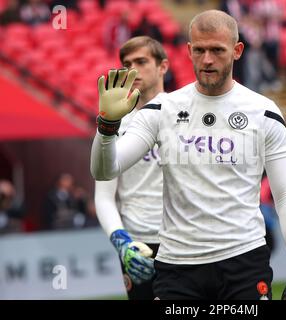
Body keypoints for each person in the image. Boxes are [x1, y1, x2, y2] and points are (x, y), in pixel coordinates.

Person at [91, 10, 286, 300]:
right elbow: (105, 171)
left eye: (217, 50)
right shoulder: (163, 111)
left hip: (243, 260)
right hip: (178, 267)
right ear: (188, 51)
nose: (207, 59)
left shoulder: (265, 113)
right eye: (199, 50)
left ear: (237, 51)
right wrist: (107, 126)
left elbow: (285, 195)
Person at [94, 36, 169, 300]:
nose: (133, 69)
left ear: (163, 67)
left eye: (142, 61)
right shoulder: (113, 123)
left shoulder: (186, 114)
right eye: (127, 64)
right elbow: (103, 195)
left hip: (185, 240)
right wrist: (121, 242)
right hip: (136, 243)